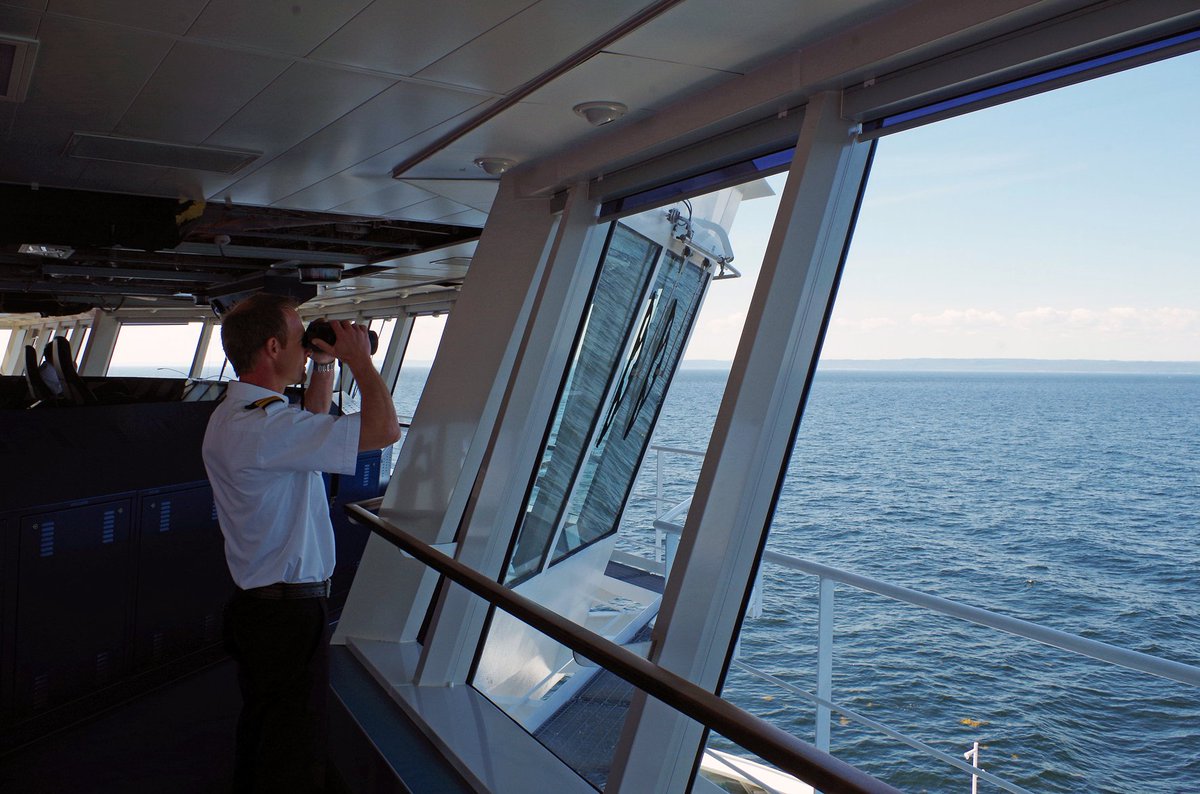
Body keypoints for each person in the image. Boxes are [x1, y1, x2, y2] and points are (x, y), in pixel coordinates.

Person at [202, 293, 400, 793]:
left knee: (268, 729)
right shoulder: (266, 429)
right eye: (296, 339)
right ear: (273, 348)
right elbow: (384, 430)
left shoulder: (241, 414)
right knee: (294, 747)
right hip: (286, 616)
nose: (303, 346)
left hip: (261, 609)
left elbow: (310, 424)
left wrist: (326, 367)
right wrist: (361, 361)